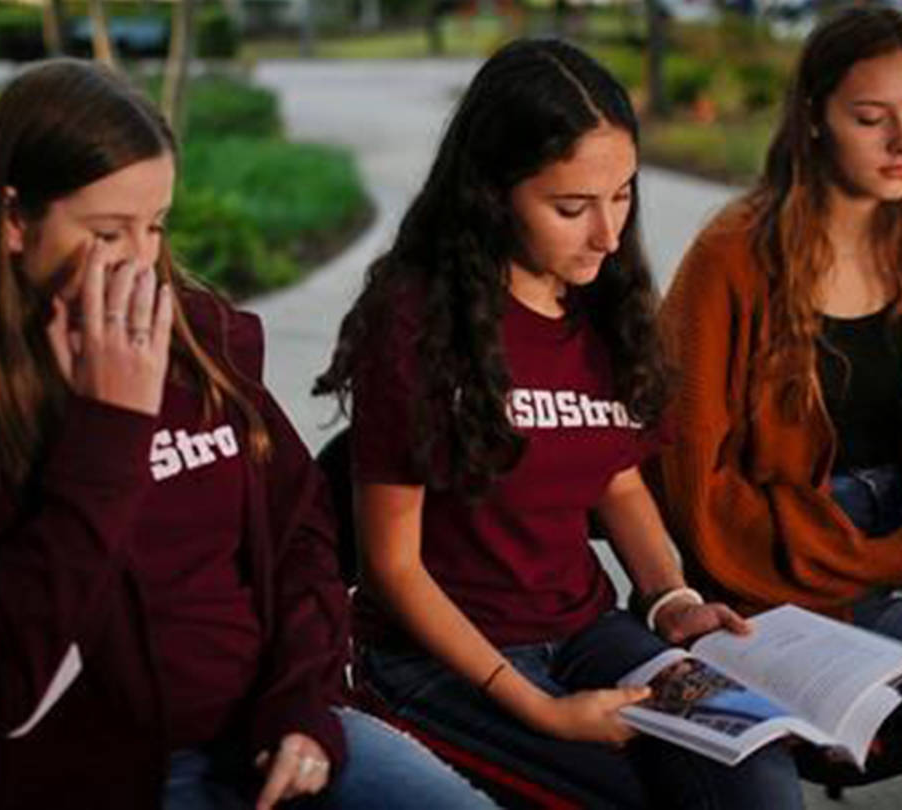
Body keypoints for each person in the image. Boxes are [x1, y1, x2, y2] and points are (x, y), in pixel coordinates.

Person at [0, 59, 495, 810]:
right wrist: (108, 428)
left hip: (276, 732)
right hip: (105, 780)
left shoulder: (199, 340)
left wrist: (302, 708)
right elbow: (6, 684)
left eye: (155, 225)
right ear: (14, 221)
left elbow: (301, 535)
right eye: (107, 232)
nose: (141, 260)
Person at [315, 39, 804, 809]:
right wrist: (541, 709)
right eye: (572, 208)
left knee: (759, 775)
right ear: (493, 192)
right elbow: (391, 569)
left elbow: (617, 480)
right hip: (439, 660)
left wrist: (670, 596)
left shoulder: (601, 305)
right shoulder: (414, 324)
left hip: (583, 630)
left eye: (624, 195)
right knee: (630, 792)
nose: (609, 235)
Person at [651, 8, 902, 808]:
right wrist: (898, 561)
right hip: (793, 576)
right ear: (815, 118)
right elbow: (699, 495)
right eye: (870, 118)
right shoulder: (732, 258)